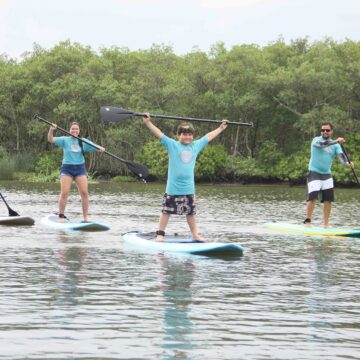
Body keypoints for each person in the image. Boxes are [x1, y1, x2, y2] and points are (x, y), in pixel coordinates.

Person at [143, 113, 228, 241]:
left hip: (188, 188)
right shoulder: (172, 145)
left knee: (190, 213)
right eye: (184, 134)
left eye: (189, 134)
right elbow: (159, 133)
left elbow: (208, 136)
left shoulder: (196, 145)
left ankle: (195, 235)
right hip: (173, 187)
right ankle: (160, 234)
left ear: (192, 136)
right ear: (179, 135)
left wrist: (221, 128)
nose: (187, 137)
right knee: (166, 211)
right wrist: (148, 122)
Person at [48, 121, 105, 222]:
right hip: (67, 168)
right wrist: (51, 130)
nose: (74, 130)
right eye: (72, 129)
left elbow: (96, 147)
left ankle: (85, 217)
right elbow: (50, 139)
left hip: (80, 169)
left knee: (84, 193)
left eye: (76, 129)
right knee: (64, 193)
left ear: (79, 131)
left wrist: (100, 148)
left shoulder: (83, 141)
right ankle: (61, 216)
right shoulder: (64, 140)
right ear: (69, 130)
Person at [304, 122, 354, 227]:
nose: (325, 132)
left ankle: (326, 224)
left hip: (326, 174)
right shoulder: (316, 140)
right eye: (323, 130)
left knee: (328, 200)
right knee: (312, 198)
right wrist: (336, 141)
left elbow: (341, 156)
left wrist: (347, 163)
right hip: (314, 172)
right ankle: (308, 221)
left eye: (327, 130)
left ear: (331, 131)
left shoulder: (336, 145)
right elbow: (322, 145)